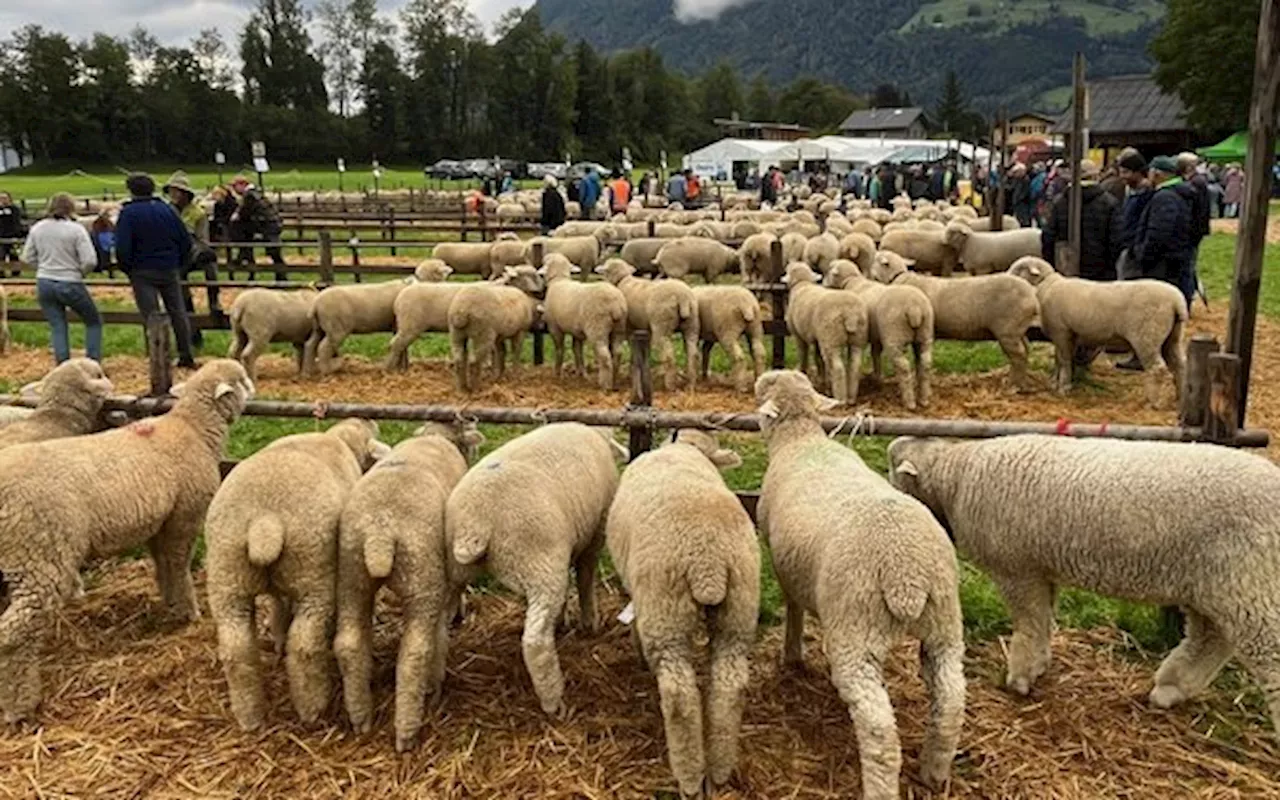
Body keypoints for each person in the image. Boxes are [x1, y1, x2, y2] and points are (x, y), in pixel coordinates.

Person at [115, 172, 197, 369]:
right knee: (178, 312)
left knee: (151, 315)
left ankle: (158, 357)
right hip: (169, 268)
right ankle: (186, 354)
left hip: (142, 271)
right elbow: (185, 241)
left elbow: (123, 246)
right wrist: (179, 263)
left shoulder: (129, 213)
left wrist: (127, 268)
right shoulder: (167, 210)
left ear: (131, 190)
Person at [20, 192, 102, 364]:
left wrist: (42, 267)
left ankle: (62, 365)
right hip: (70, 279)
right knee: (93, 321)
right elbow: (90, 260)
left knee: (57, 325)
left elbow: (26, 257)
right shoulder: (76, 229)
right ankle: (92, 362)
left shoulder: (38, 227)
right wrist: (80, 272)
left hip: (44, 281)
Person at [1040, 160, 1123, 282]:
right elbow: (1116, 240)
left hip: (1066, 268)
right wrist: (1109, 266)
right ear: (1095, 176)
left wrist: (1053, 263)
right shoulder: (1109, 203)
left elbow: (1048, 236)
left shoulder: (1060, 202)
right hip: (1100, 271)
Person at [1132, 155, 1198, 305]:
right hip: (1175, 258)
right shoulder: (1178, 194)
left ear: (1158, 173)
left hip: (1163, 263)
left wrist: (1144, 254)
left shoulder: (1165, 197)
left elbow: (1159, 231)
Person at [164, 170, 220, 339]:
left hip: (193, 250)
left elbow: (203, 239)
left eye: (177, 191)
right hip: (173, 252)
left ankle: (214, 301)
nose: (173, 194)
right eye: (171, 191)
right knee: (179, 283)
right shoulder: (166, 211)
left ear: (185, 193)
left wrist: (196, 247)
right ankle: (191, 326)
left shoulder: (198, 213)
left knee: (210, 264)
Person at [229, 176, 286, 281]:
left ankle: (242, 255)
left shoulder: (249, 195)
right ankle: (280, 276)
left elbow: (244, 213)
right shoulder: (256, 192)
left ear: (242, 184)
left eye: (234, 186)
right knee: (274, 252)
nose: (234, 189)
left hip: (268, 226)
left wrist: (236, 216)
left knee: (274, 252)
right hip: (270, 224)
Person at [1177, 152, 1211, 309]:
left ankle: (1187, 302)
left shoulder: (1196, 183)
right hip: (1196, 231)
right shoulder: (1198, 181)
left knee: (1188, 268)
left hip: (1192, 232)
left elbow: (1198, 211)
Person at [1114, 149, 1153, 282]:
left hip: (1135, 250)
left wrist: (1136, 249)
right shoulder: (1131, 193)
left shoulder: (1147, 195)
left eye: (1126, 172)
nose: (1122, 176)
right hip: (1127, 247)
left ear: (1137, 172)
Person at [0, 192, 26, 277]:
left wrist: (17, 235)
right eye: (1, 198)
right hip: (1, 236)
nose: (3, 200)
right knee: (1, 255)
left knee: (13, 255)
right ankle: (1, 273)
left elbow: (16, 223)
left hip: (12, 236)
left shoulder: (15, 210)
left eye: (5, 198)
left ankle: (16, 273)